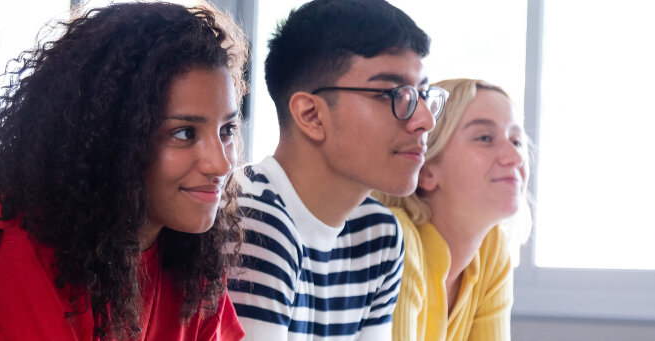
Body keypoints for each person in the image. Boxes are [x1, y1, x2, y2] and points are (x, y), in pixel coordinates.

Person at [0, 2, 247, 340]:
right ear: (112, 139)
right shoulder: (14, 249)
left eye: (227, 130)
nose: (220, 163)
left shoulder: (189, 256)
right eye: (184, 133)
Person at [226, 0, 443, 340]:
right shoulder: (253, 220)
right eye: (393, 93)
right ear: (311, 115)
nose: (424, 120)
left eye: (422, 94)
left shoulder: (378, 233)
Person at [372, 78, 528, 341]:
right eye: (485, 138)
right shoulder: (398, 239)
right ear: (426, 171)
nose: (514, 157)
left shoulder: (492, 248)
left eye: (516, 141)